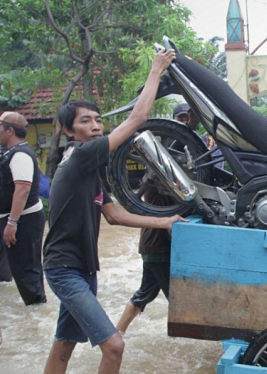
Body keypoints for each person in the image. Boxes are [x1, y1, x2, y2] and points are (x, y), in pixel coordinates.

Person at [42, 49, 183, 374]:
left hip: (83, 269)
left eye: (97, 120)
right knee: (115, 346)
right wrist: (156, 70)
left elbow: (114, 215)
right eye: (85, 121)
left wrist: (164, 221)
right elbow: (136, 120)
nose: (95, 126)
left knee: (63, 348)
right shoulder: (80, 155)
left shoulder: (89, 169)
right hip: (65, 269)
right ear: (68, 131)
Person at [0, 111, 48, 305]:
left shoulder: (20, 154)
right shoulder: (9, 152)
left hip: (22, 219)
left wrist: (12, 222)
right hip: (10, 218)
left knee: (26, 268)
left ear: (9, 130)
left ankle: (36, 309)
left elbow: (22, 190)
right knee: (10, 266)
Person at [115, 188, 172, 335]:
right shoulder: (160, 184)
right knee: (176, 296)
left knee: (146, 293)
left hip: (152, 244)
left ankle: (118, 332)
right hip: (158, 246)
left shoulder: (153, 184)